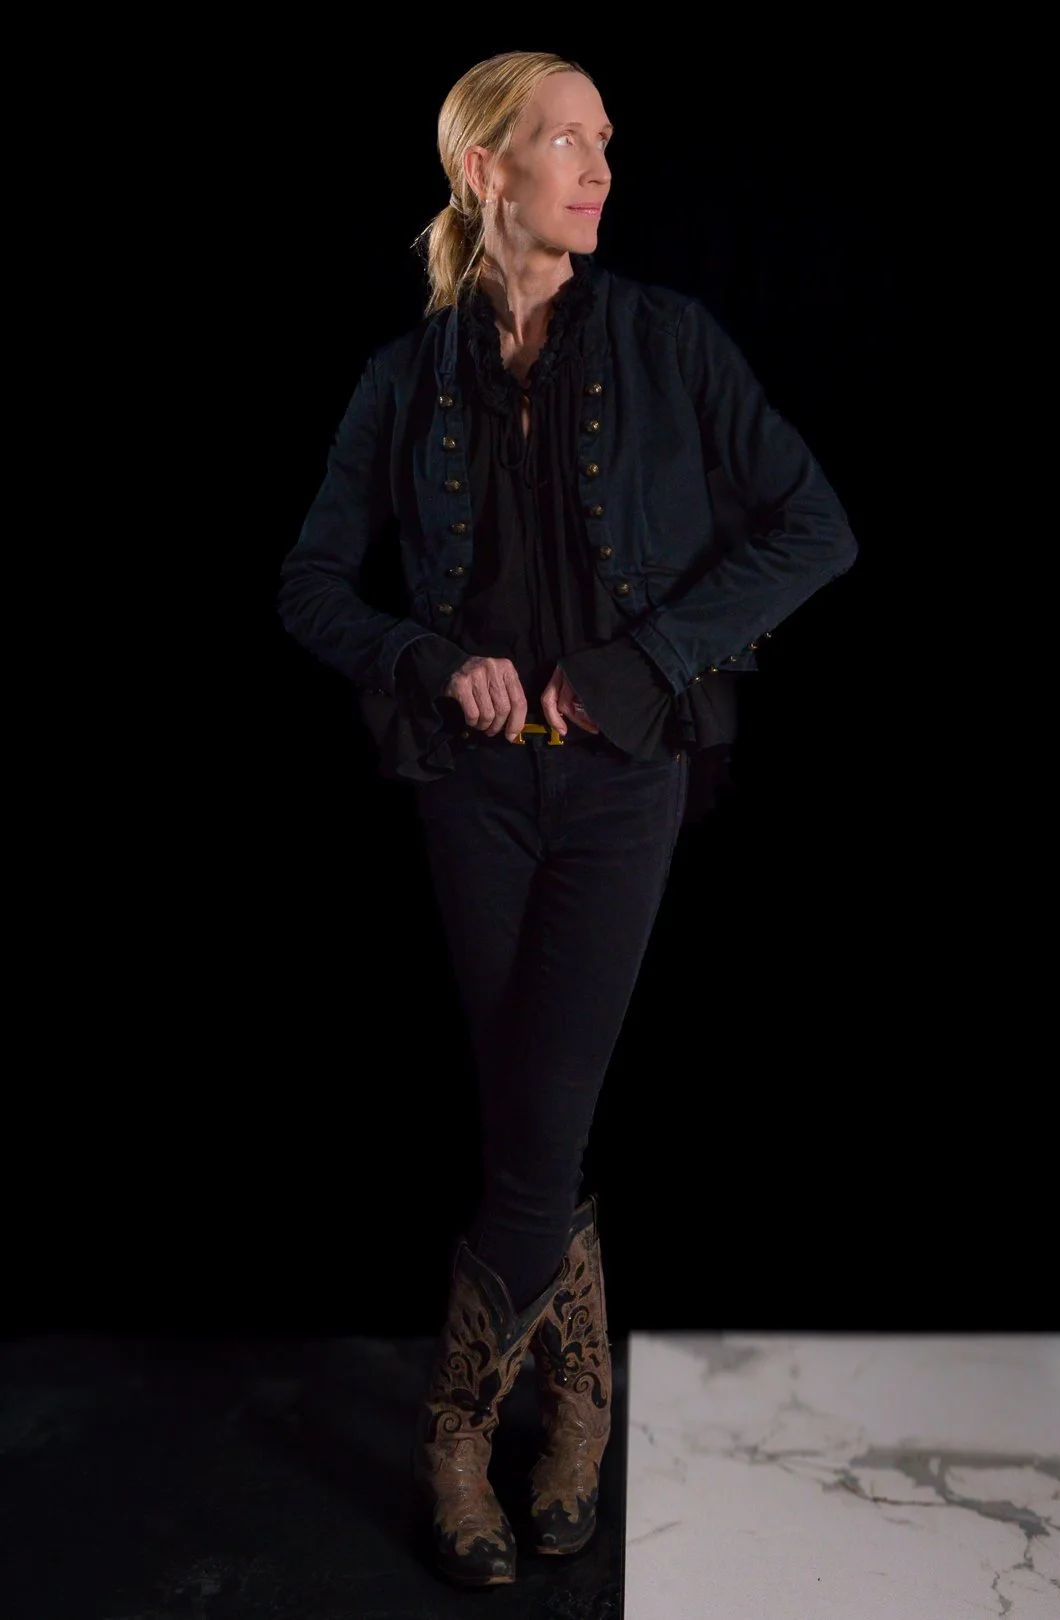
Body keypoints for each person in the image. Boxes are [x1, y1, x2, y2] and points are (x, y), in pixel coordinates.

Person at [277, 50, 858, 1589]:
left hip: (620, 786)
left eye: (607, 142)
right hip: (470, 792)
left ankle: (459, 1433)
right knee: (535, 1116)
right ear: (487, 171)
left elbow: (818, 525)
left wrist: (639, 662)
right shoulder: (403, 381)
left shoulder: (670, 343)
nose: (600, 168)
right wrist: (425, 656)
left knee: (537, 1124)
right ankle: (584, 1402)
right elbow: (311, 584)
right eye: (567, 141)